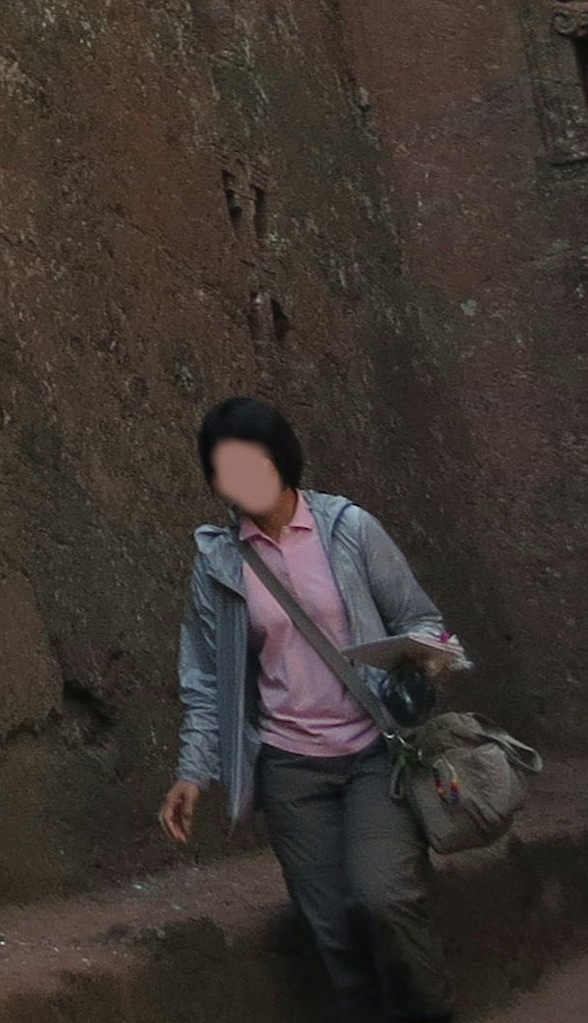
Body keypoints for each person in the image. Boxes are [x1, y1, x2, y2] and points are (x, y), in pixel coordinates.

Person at [158, 397, 467, 1023]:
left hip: (374, 753)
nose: (239, 481)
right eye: (223, 469)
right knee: (332, 931)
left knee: (384, 899)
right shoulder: (218, 560)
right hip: (290, 769)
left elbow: (423, 620)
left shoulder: (349, 529)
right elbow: (206, 679)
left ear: (282, 459)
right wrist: (193, 773)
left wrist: (419, 661)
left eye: (252, 463)